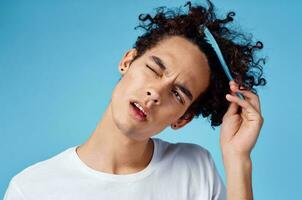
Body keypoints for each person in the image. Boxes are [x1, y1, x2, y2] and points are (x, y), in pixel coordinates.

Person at [4, 0, 266, 199]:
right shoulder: (31, 188)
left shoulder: (196, 169)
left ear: (182, 119)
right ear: (127, 61)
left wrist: (238, 158)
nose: (155, 94)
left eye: (177, 93)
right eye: (154, 69)